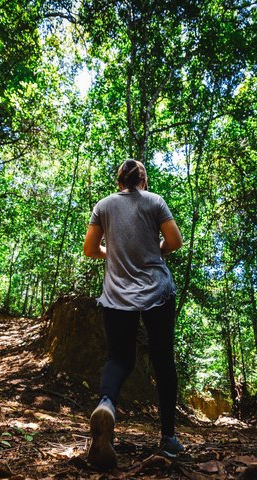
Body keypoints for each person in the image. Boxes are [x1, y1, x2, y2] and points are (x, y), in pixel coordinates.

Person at [82, 159, 184, 470]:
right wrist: (156, 252)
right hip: (157, 292)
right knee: (162, 359)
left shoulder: (104, 205)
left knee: (119, 358)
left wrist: (111, 253)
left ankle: (107, 404)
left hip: (117, 296)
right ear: (143, 180)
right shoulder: (155, 201)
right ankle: (168, 438)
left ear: (119, 181)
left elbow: (89, 249)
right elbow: (175, 241)